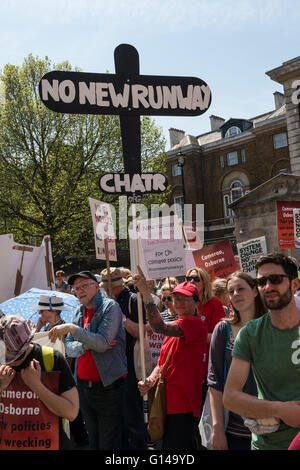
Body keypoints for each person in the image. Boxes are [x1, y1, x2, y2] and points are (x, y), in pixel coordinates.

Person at [223, 253, 300, 450]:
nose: (268, 286)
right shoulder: (250, 333)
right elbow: (230, 397)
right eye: (261, 281)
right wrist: (281, 410)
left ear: (295, 284)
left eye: (275, 279)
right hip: (268, 445)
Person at [48, 270, 127, 450]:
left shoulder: (110, 307)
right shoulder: (79, 311)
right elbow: (69, 348)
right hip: (84, 387)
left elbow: (102, 343)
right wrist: (85, 345)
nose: (80, 291)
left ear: (96, 287)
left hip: (109, 388)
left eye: (84, 286)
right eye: (76, 288)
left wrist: (73, 330)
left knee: (108, 443)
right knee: (94, 442)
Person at [134, 266, 207, 450]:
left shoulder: (194, 323)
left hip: (184, 403)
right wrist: (150, 380)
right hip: (167, 401)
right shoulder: (177, 324)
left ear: (196, 303)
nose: (179, 302)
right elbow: (162, 363)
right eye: (176, 299)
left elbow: (159, 327)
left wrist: (145, 294)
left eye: (185, 299)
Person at [0, 315, 79, 450]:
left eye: (12, 357)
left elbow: (71, 412)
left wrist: (37, 386)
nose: (8, 362)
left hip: (51, 443)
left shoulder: (52, 359)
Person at [208, 271, 267, 450]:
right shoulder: (223, 329)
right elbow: (215, 382)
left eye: (241, 289)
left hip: (272, 428)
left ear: (255, 291)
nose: (235, 294)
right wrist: (217, 429)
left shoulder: (272, 326)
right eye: (231, 291)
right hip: (234, 431)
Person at [100, 267, 148, 450]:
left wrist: (120, 315)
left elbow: (140, 332)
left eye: (107, 285)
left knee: (132, 415)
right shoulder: (105, 302)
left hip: (130, 366)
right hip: (114, 365)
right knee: (118, 415)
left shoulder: (133, 300)